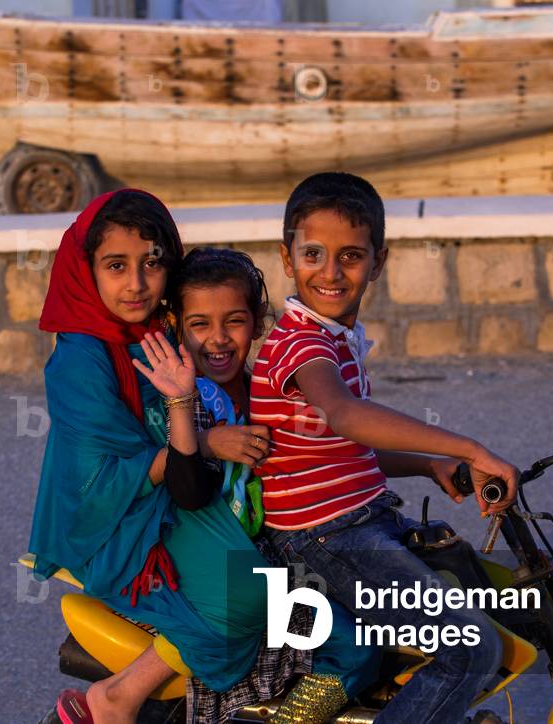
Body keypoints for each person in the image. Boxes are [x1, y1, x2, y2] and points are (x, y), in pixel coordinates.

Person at [27, 188, 375, 724]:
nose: (136, 283)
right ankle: (118, 697)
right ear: (87, 268)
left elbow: (317, 442)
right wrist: (204, 438)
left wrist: (424, 463)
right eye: (116, 266)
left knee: (325, 614)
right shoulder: (83, 358)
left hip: (194, 505)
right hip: (127, 519)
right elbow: (103, 472)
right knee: (255, 600)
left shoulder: (156, 341)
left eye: (152, 263)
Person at [249, 172, 519, 724]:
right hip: (327, 536)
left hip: (355, 523)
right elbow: (347, 414)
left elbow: (340, 444)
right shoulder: (302, 342)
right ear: (286, 257)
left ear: (379, 262)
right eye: (314, 254)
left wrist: (429, 463)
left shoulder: (335, 338)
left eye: (350, 255)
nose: (331, 271)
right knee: (472, 649)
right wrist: (470, 448)